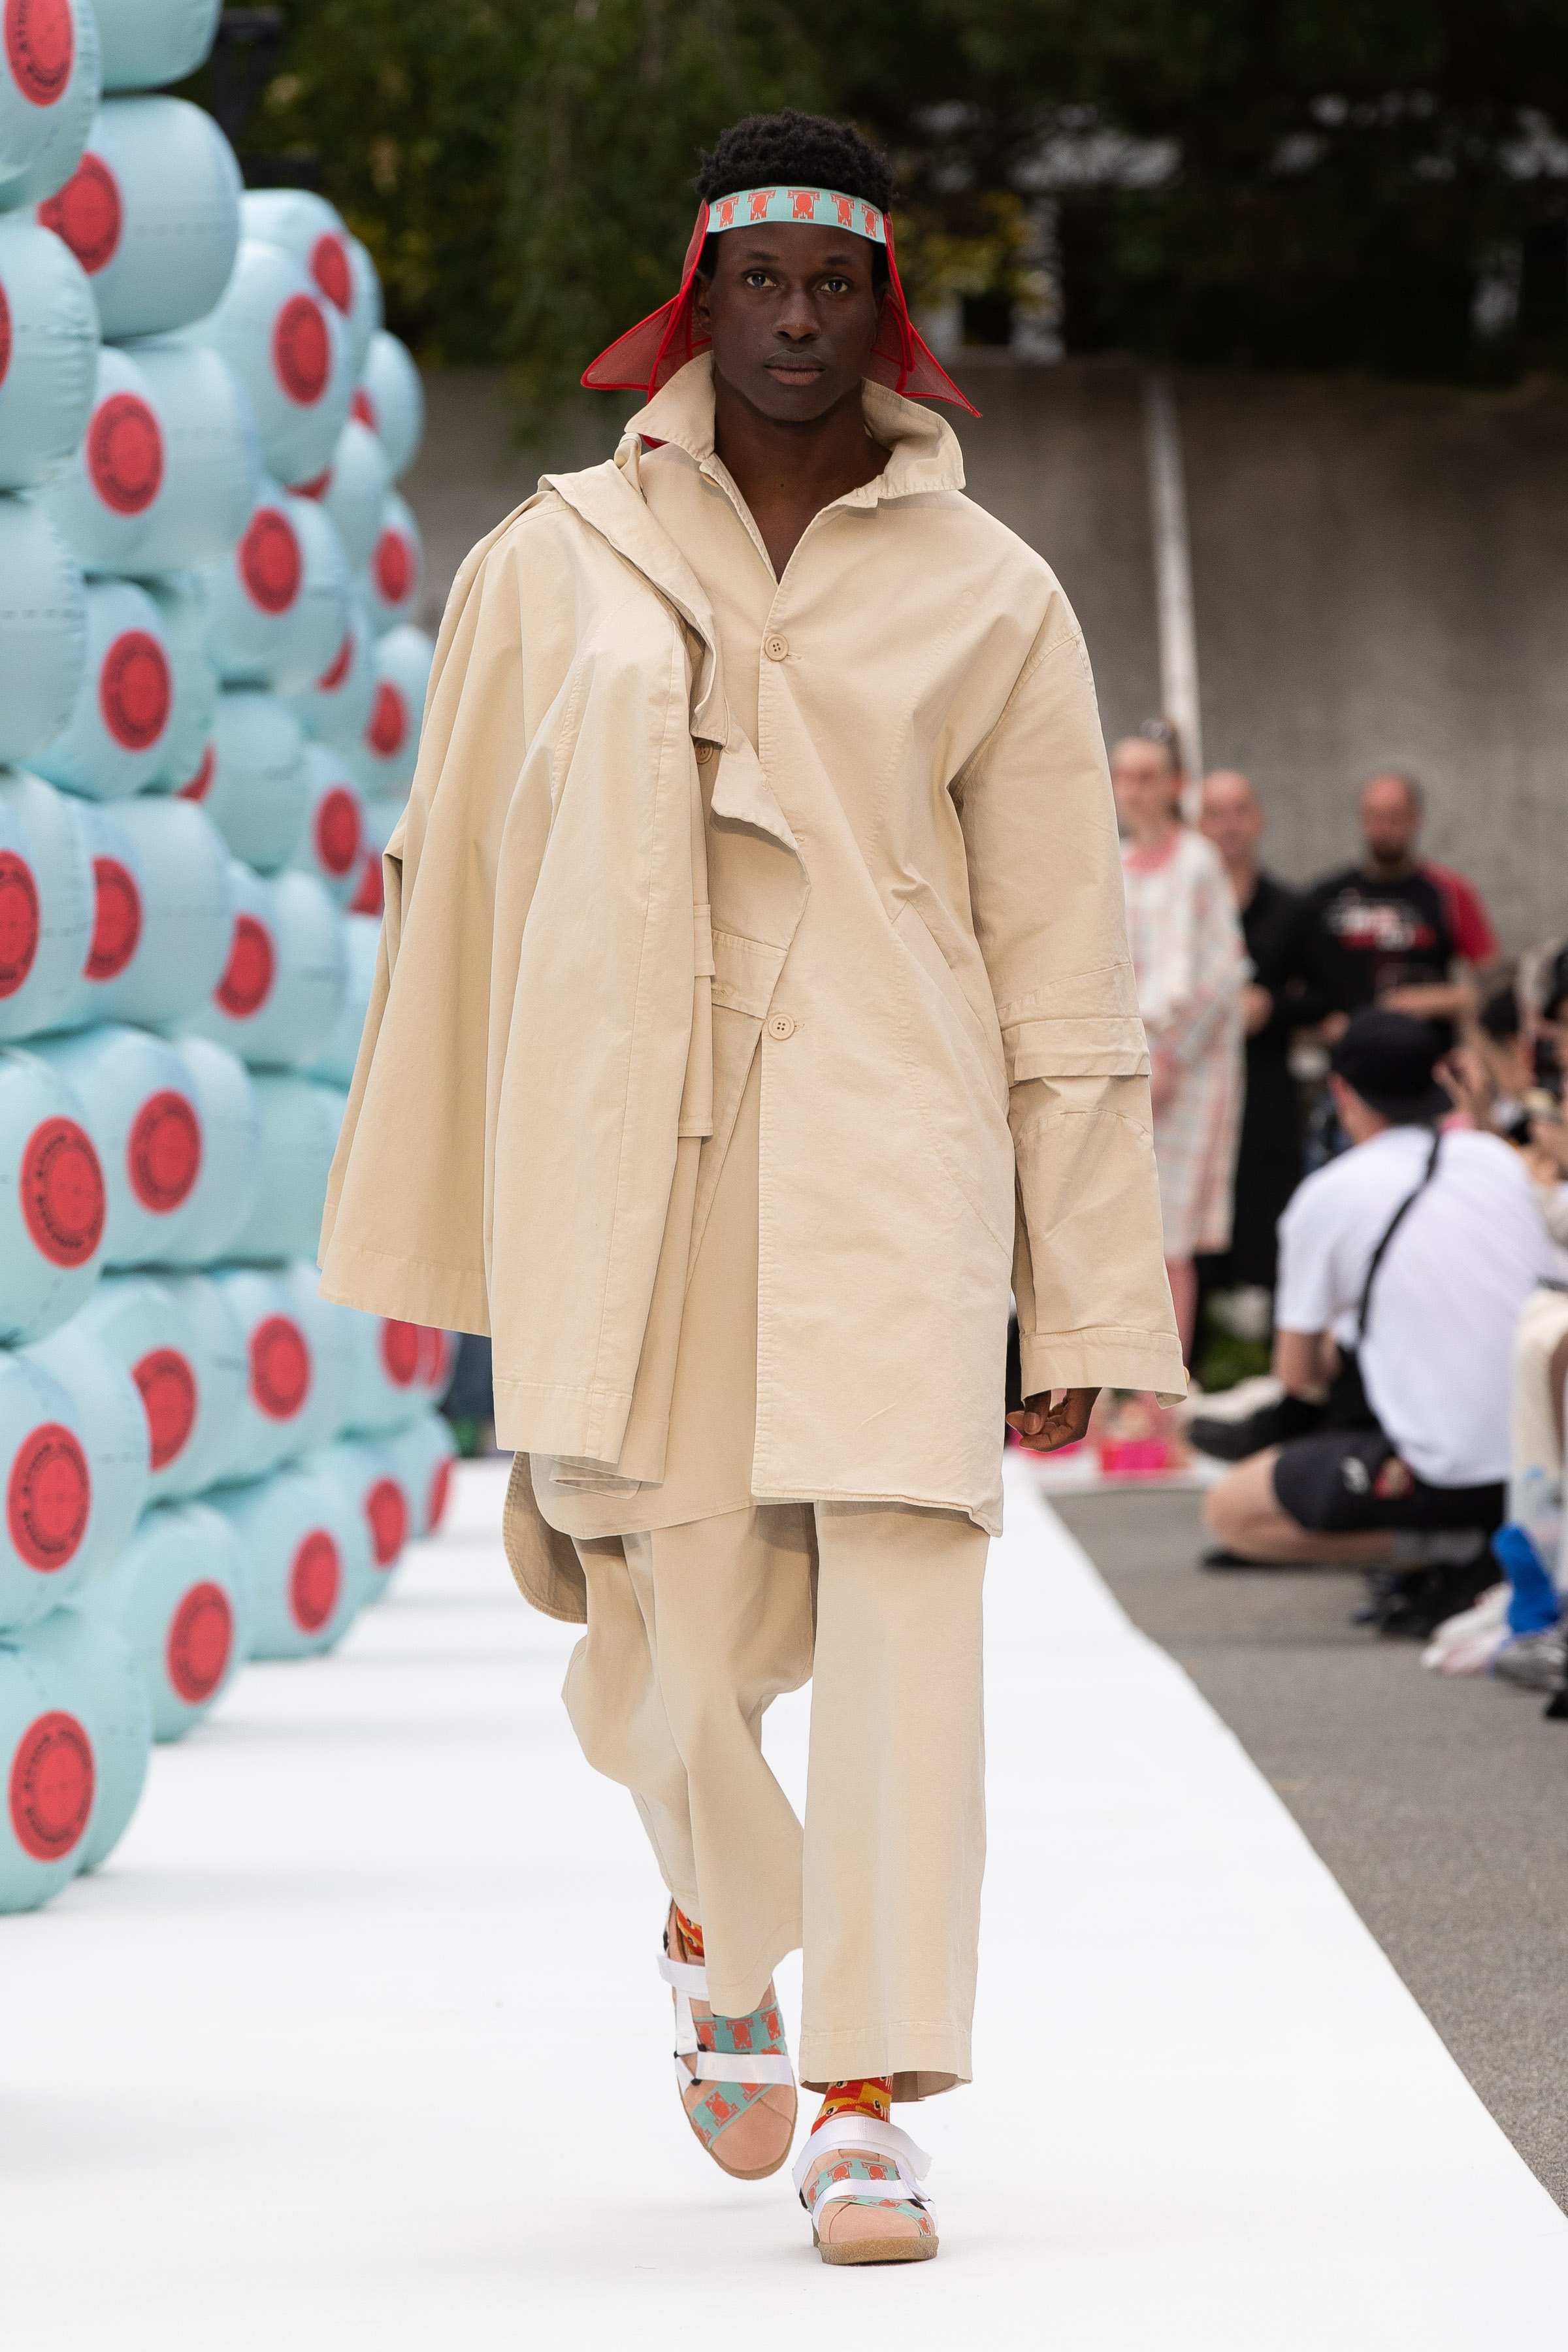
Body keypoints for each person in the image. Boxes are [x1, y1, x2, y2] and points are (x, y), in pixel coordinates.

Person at [318, 110, 1182, 2266]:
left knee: (902, 1612)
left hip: (899, 1143)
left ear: (887, 310)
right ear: (695, 298)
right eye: (761, 282)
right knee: (669, 1631)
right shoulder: (551, 563)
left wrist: (1081, 1283)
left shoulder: (996, 594)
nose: (798, 322)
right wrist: (457, 1220)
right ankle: (722, 1930)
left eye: (837, 286)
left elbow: (1062, 952)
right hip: (638, 1154)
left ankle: (870, 2098)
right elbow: (458, 894)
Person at [1203, 1010, 1558, 1630]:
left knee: (1233, 1513)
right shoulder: (1497, 1159)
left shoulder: (1328, 1195)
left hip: (1444, 1468)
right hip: (1542, 1454)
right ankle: (1495, 1538)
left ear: (1341, 1092)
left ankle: (1455, 1549)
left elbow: (1297, 1375)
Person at [1111, 721, 1247, 1358]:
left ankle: (1165, 1388)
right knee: (1113, 1229)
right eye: (1122, 775)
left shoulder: (1197, 861)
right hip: (1119, 1066)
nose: (1131, 789)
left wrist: (1170, 1056)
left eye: (1146, 776)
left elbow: (1225, 971)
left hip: (1185, 1071)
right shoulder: (1111, 864)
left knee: (1169, 1236)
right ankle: (1107, 1391)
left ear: (1174, 784)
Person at [1196, 768, 1333, 1295]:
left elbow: (1330, 995)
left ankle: (1276, 1324)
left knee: (1266, 1200)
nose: (1228, 825)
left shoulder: (1291, 909)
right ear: (1198, 823)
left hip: (1264, 1080)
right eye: (1215, 813)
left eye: (1240, 811)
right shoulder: (1184, 906)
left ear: (1259, 820)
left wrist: (1272, 1008)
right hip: (1193, 1085)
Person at [1307, 772, 1485, 1048]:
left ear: (1417, 820)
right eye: (1374, 816)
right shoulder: (1325, 897)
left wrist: (1425, 1001)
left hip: (1428, 1061)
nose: (1384, 827)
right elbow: (1294, 990)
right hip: (1347, 1061)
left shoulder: (1449, 892)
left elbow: (1492, 987)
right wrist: (1319, 1024)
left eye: (1395, 816)